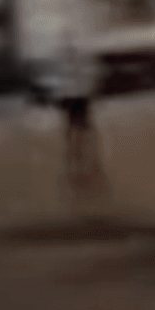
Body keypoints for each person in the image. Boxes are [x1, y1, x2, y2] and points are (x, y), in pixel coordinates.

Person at [45, 36, 106, 202]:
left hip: (71, 97)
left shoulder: (62, 60)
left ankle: (75, 158)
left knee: (72, 127)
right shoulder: (82, 59)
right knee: (85, 126)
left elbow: (56, 81)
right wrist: (92, 89)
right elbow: (93, 73)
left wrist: (57, 96)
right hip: (80, 96)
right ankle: (88, 158)